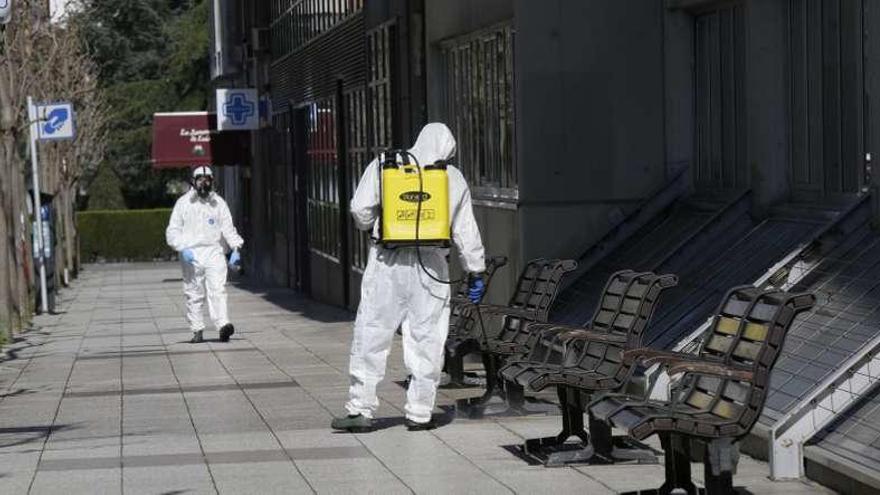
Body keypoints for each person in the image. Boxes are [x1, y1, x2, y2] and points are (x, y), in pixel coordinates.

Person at [331, 123, 486, 432]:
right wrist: (475, 270)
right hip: (431, 268)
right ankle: (419, 412)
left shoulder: (385, 164)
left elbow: (360, 211)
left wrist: (382, 223)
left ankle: (360, 409)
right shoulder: (451, 177)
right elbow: (465, 230)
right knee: (427, 338)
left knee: (372, 333)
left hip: (387, 262)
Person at [166, 165, 243, 344]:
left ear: (212, 181)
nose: (204, 182)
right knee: (194, 292)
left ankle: (223, 325)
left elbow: (228, 228)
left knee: (218, 289)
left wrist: (236, 248)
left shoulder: (219, 203)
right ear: (193, 181)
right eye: (200, 179)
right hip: (191, 253)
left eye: (207, 179)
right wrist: (182, 247)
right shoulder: (183, 204)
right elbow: (173, 231)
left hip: (214, 251)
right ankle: (197, 329)